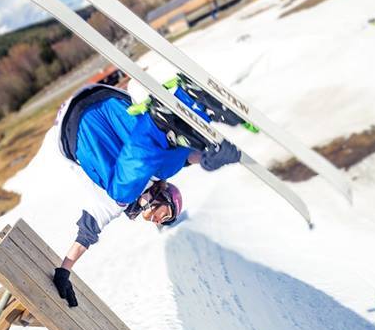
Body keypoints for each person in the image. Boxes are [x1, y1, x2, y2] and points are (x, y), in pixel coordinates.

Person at [52, 76, 241, 307]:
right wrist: (207, 159)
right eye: (166, 214)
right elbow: (185, 159)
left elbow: (84, 238)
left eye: (160, 221)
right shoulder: (161, 173)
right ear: (166, 196)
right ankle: (191, 102)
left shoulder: (111, 206)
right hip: (108, 104)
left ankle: (163, 123)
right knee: (166, 161)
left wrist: (63, 272)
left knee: (126, 189)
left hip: (76, 129)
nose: (157, 219)